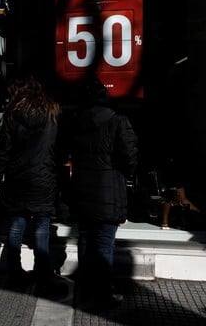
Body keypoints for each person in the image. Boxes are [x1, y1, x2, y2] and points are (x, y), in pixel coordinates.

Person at [0, 76, 64, 297]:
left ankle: (15, 274)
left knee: (16, 227)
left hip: (18, 178)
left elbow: (4, 151)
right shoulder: (52, 113)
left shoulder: (12, 115)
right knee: (41, 229)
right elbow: (59, 147)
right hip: (43, 179)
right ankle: (43, 274)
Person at [62, 78, 138, 310]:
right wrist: (124, 173)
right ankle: (103, 293)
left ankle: (84, 289)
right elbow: (130, 157)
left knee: (85, 240)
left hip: (83, 188)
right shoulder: (117, 122)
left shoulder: (75, 122)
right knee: (104, 243)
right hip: (108, 191)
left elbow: (66, 154)